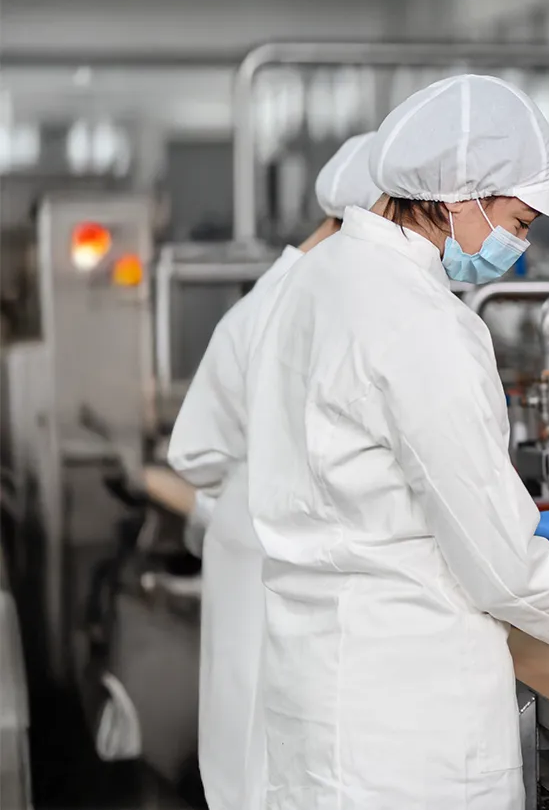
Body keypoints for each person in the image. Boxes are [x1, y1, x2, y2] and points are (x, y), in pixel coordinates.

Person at [242, 75, 549, 809]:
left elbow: (351, 478)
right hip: (410, 722)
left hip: (318, 683)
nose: (518, 246)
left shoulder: (318, 279)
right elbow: (499, 571)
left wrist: (519, 524)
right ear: (460, 197)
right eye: (517, 221)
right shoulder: (425, 324)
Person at [167, 130, 382, 810]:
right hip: (289, 556)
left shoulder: (268, 297)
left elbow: (196, 452)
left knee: (247, 748)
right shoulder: (328, 300)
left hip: (248, 547)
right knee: (281, 751)